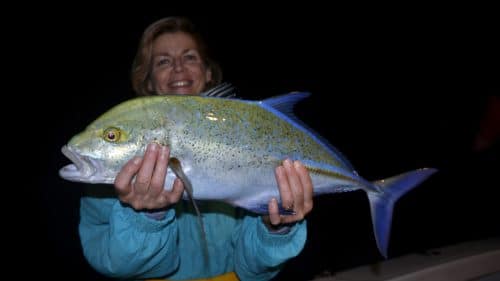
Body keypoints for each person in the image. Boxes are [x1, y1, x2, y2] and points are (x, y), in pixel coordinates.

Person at [79, 16, 314, 281]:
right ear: (148, 81)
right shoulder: (107, 180)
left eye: (189, 57)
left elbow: (254, 270)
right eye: (163, 61)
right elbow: (117, 264)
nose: (178, 68)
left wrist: (276, 228)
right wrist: (148, 216)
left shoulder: (240, 139)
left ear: (208, 71)